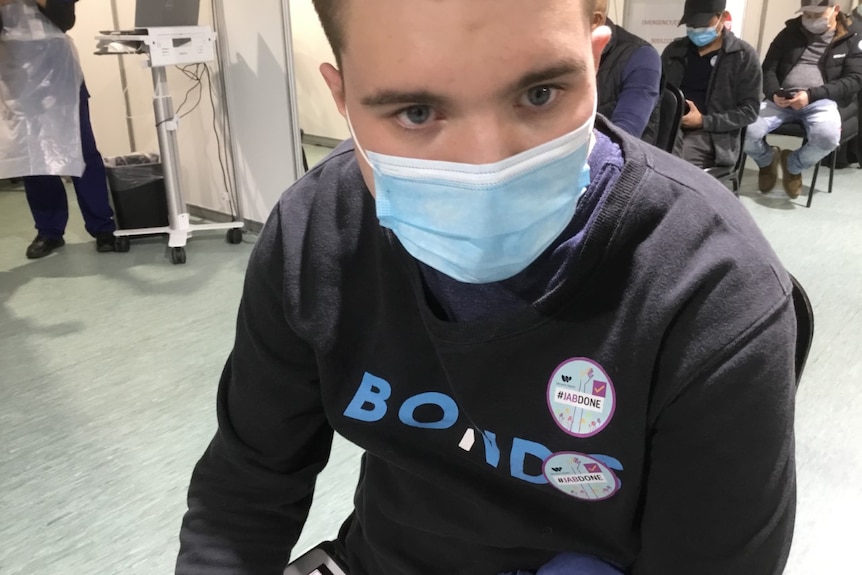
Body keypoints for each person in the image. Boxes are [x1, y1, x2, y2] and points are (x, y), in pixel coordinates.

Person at [176, 1, 797, 574]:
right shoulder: (317, 232)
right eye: (416, 113)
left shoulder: (711, 285)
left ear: (595, 59)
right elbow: (246, 489)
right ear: (342, 98)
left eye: (540, 93)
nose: (484, 167)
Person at [0, 0, 116, 259]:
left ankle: (102, 227)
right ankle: (49, 231)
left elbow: (66, 20)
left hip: (58, 67)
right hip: (16, 70)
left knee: (83, 149)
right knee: (33, 155)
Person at [744, 0, 862, 198]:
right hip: (782, 98)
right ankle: (767, 161)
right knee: (745, 131)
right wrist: (774, 92)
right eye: (807, 15)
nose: (811, 20)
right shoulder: (790, 32)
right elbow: (768, 69)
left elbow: (855, 79)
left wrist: (812, 95)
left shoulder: (853, 36)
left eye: (817, 15)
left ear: (835, 9)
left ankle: (793, 165)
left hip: (823, 99)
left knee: (828, 137)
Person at [661, 0, 762, 169]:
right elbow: (659, 92)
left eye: (703, 24)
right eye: (691, 24)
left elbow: (750, 111)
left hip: (714, 135)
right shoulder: (674, 51)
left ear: (722, 17)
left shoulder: (743, 56)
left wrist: (703, 121)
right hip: (671, 125)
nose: (696, 29)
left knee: (677, 164)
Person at [591, 0, 662, 143]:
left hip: (617, 159)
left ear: (595, 20)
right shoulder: (559, 52)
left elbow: (623, 137)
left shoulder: (642, 57)